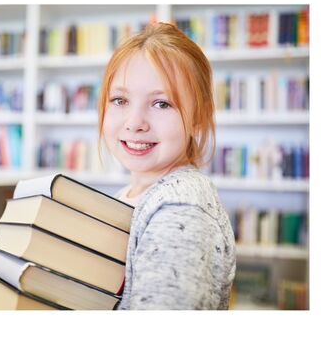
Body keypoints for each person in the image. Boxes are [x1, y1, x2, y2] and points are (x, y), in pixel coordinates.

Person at [97, 22, 236, 309]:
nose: (135, 123)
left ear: (198, 117)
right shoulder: (134, 195)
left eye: (161, 104)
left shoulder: (180, 206)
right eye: (120, 100)